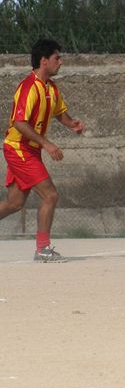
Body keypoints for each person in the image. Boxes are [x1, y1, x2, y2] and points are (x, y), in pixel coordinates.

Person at [0, 39, 85, 262]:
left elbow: (59, 112)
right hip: (19, 149)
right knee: (50, 194)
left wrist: (72, 124)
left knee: (15, 203)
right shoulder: (28, 87)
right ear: (44, 61)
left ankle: (43, 249)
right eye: (57, 58)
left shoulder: (51, 88)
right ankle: (42, 249)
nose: (61, 62)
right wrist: (47, 144)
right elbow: (19, 122)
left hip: (29, 150)